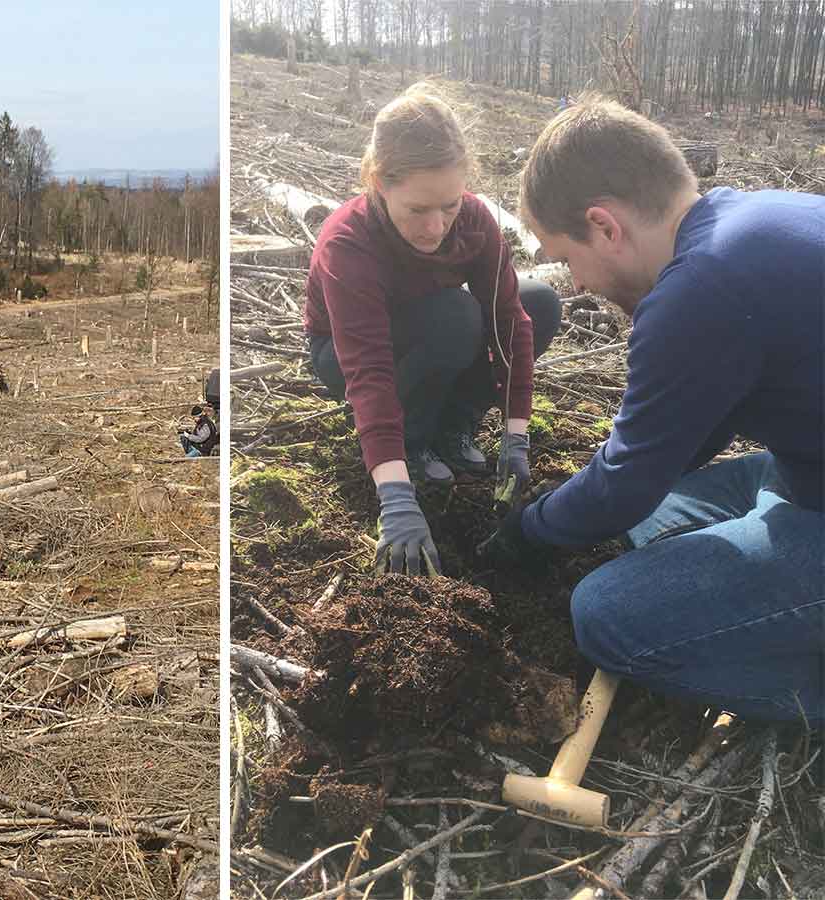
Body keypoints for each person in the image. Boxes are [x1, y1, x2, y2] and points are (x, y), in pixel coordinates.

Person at [480, 95, 824, 725]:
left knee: (605, 615)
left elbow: (628, 479)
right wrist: (587, 498)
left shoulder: (700, 288)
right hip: (805, 471)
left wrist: (529, 531)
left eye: (566, 259)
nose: (577, 284)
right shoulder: (747, 222)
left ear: (605, 226)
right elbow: (677, 447)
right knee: (644, 519)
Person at [303, 84, 561, 576]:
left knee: (538, 303)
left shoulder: (474, 221)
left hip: (436, 329)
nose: (435, 226)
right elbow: (368, 369)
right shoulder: (348, 241)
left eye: (449, 205)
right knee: (455, 316)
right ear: (380, 183)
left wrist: (517, 433)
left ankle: (453, 424)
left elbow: (510, 320)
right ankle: (411, 443)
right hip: (346, 353)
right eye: (417, 210)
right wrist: (395, 495)